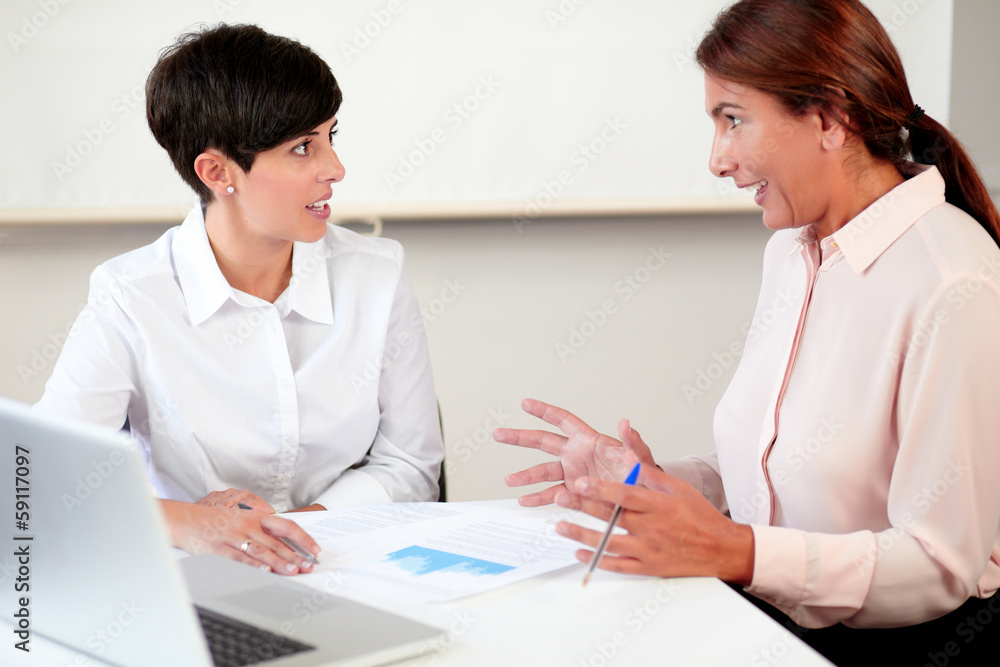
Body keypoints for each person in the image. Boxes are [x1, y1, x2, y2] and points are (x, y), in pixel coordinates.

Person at [495, 0, 1000, 662]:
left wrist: (737, 550)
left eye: (733, 120)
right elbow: (783, 471)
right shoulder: (793, 252)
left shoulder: (953, 283)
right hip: (767, 622)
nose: (717, 158)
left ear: (829, 118)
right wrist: (647, 480)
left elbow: (942, 564)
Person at [36, 24, 443, 576]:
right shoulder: (131, 297)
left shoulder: (377, 275)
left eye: (331, 136)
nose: (335, 169)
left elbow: (411, 463)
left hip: (346, 562)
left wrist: (292, 529)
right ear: (217, 172)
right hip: (191, 575)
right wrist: (185, 522)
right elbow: (43, 479)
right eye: (303, 147)